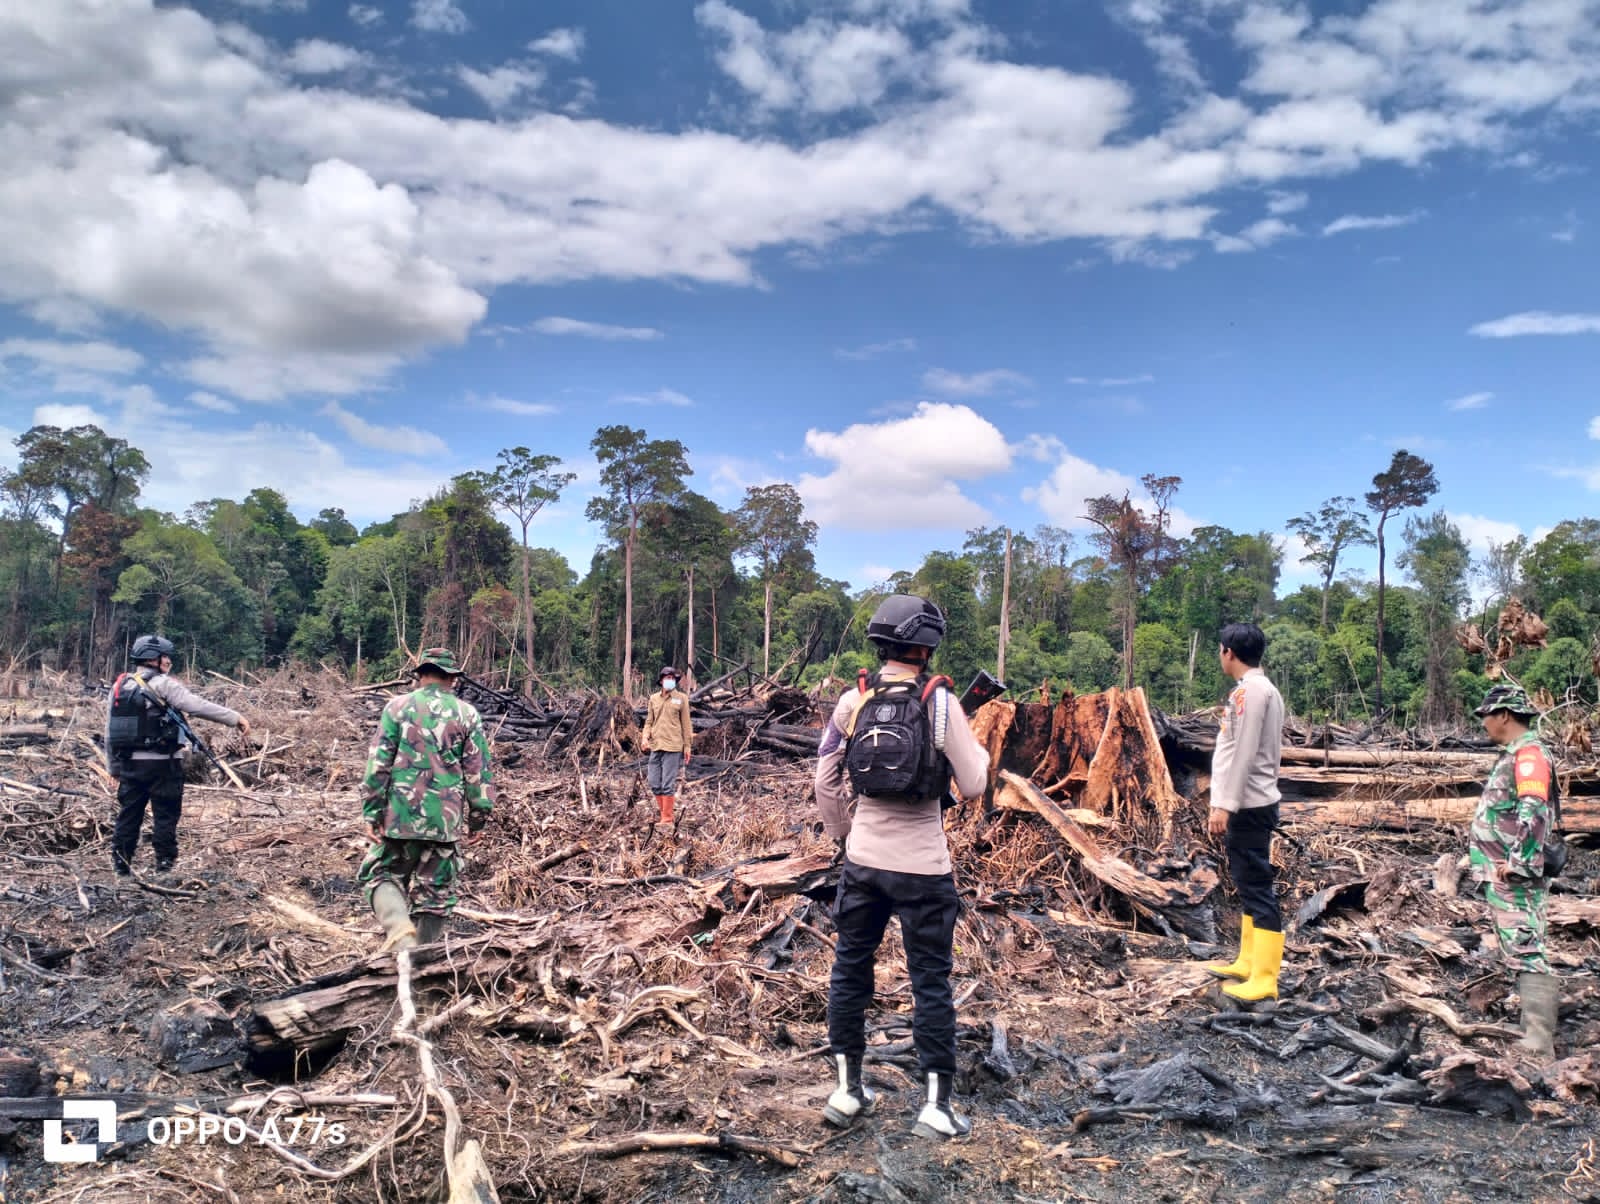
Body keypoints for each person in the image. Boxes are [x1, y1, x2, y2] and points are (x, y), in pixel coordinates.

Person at [814, 595, 990, 1140]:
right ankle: (935, 1107)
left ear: (881, 643)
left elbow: (824, 781)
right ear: (927, 645)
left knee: (850, 968)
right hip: (923, 866)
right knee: (930, 980)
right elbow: (976, 782)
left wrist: (847, 836)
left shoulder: (853, 701)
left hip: (863, 860)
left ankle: (846, 1091)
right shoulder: (942, 705)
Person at [359, 647, 494, 951]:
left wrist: (372, 812)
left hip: (399, 815)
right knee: (436, 895)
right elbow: (478, 774)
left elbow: (377, 766)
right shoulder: (467, 714)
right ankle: (419, 958)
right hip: (444, 820)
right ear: (452, 679)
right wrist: (478, 819)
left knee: (381, 874)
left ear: (419, 676)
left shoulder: (396, 708)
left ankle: (398, 928)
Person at [105, 634, 251, 877]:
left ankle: (121, 866)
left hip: (130, 766)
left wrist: (114, 768)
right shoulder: (164, 683)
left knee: (128, 815)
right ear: (154, 658)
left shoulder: (119, 686)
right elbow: (196, 705)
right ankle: (164, 866)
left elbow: (110, 730)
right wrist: (234, 718)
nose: (169, 661)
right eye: (166, 657)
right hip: (164, 765)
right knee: (166, 815)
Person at [1470, 683, 1559, 1058]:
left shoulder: (1529, 756)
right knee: (1520, 944)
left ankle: (1538, 1043)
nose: (1484, 724)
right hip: (1504, 872)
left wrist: (1520, 863)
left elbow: (1534, 809)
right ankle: (1528, 1029)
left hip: (1516, 875)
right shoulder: (1518, 753)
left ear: (1504, 715)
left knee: (1526, 946)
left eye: (1487, 716)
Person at [1204, 622, 1286, 1003]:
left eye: (1220, 649)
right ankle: (1248, 961)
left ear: (1229, 653)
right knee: (1246, 880)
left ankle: (1266, 977)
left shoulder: (1253, 692)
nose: (1220, 655)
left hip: (1249, 802)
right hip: (1250, 800)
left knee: (1256, 884)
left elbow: (1244, 751)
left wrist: (1225, 804)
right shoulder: (1255, 690)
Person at [642, 665, 693, 829]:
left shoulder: (682, 699)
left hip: (673, 746)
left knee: (667, 784)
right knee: (653, 781)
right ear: (662, 680)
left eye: (673, 679)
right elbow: (649, 722)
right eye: (667, 678)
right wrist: (644, 738)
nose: (670, 681)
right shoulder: (653, 699)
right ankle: (664, 814)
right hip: (656, 745)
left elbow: (686, 724)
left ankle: (667, 819)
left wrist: (687, 746)